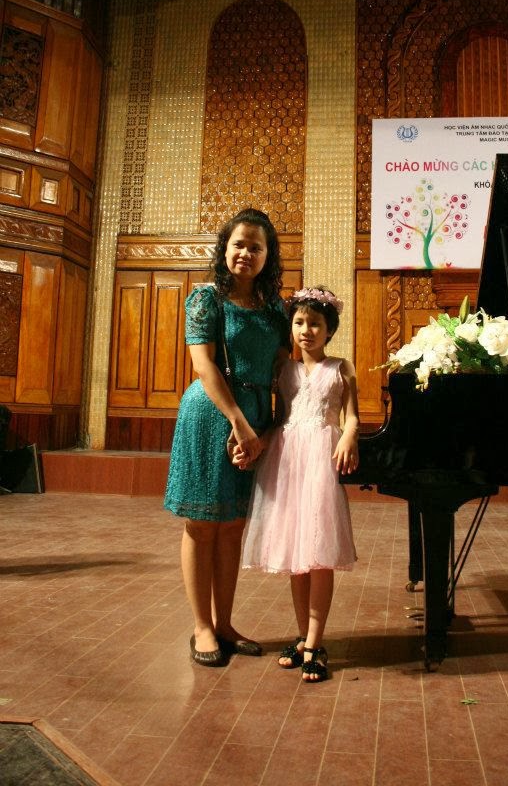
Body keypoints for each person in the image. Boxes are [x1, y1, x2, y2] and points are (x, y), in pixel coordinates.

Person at [164, 208, 289, 667]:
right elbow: (203, 365)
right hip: (211, 413)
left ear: (268, 256)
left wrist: (269, 429)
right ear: (225, 248)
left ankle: (225, 623)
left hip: (255, 418)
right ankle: (202, 627)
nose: (246, 253)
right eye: (239, 244)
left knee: (233, 524)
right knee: (201, 524)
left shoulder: (276, 309)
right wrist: (238, 422)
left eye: (256, 247)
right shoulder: (206, 299)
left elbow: (282, 370)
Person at [241, 285, 359, 683]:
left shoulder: (341, 367)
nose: (306, 331)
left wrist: (348, 435)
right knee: (296, 554)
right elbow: (278, 417)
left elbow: (352, 416)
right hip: (287, 460)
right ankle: (303, 636)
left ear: (330, 330)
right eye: (299, 323)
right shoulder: (283, 369)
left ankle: (316, 643)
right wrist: (256, 444)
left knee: (318, 552)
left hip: (319, 461)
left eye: (315, 324)